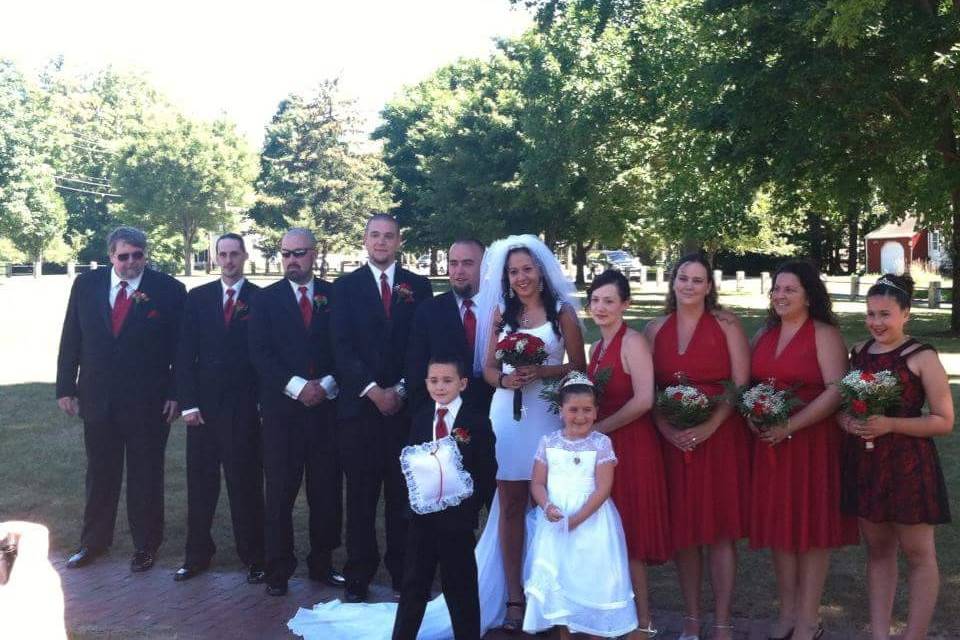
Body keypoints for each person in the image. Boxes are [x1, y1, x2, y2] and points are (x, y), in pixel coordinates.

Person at [56, 226, 186, 572]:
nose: (131, 262)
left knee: (146, 475)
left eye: (137, 255)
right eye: (123, 256)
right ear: (111, 256)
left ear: (146, 254)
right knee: (100, 473)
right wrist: (66, 386)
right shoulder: (86, 285)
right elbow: (72, 336)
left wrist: (176, 392)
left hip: (149, 401)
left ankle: (146, 546)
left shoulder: (170, 290)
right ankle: (93, 543)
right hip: (97, 398)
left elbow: (181, 349)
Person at [478, 235, 586, 632]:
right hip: (508, 417)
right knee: (509, 503)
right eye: (513, 271)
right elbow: (488, 369)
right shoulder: (500, 316)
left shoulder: (562, 314)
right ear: (506, 278)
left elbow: (579, 368)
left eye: (527, 269)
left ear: (540, 271)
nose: (521, 277)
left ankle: (551, 592)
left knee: (549, 502)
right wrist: (505, 382)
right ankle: (513, 597)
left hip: (548, 417)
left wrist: (542, 371)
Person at [748, 260, 859, 640]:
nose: (780, 295)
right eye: (776, 289)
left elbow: (836, 390)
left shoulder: (824, 335)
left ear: (808, 295)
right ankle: (788, 612)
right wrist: (752, 413)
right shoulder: (764, 332)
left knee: (811, 530)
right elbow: (749, 383)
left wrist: (790, 426)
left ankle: (810, 618)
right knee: (780, 529)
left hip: (811, 443)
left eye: (789, 289)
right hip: (771, 446)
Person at [838, 274, 953, 640]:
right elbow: (842, 408)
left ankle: (914, 635)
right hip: (868, 465)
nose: (876, 322)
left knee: (919, 554)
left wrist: (890, 424)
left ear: (906, 314)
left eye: (885, 314)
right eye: (870, 313)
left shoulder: (921, 356)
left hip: (909, 466)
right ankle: (879, 634)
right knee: (878, 552)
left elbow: (944, 421)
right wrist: (849, 422)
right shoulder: (857, 353)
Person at [645, 253, 750, 640]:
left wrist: (709, 426)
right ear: (673, 283)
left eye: (697, 280)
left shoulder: (727, 324)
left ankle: (722, 621)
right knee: (685, 532)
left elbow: (739, 384)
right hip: (673, 441)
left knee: (720, 532)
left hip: (719, 439)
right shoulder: (655, 329)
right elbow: (648, 388)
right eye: (682, 278)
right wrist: (665, 427)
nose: (688, 285)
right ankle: (690, 619)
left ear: (709, 286)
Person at [331, 214, 433, 602]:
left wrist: (403, 389)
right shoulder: (345, 287)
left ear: (398, 241)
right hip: (360, 410)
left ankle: (403, 573)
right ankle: (358, 574)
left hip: (405, 411)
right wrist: (374, 390)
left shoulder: (418, 287)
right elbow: (340, 346)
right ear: (364, 239)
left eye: (388, 236)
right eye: (374, 235)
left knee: (402, 496)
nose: (381, 242)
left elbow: (419, 344)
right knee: (359, 496)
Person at [248, 228, 343, 596]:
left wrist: (328, 385)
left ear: (314, 254)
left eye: (299, 253)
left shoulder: (335, 296)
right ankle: (278, 569)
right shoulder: (265, 300)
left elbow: (344, 346)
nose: (291, 260)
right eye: (285, 253)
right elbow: (259, 353)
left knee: (326, 492)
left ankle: (322, 563)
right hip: (281, 415)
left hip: (326, 413)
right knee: (280, 495)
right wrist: (298, 387)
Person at [174, 233, 266, 584]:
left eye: (234, 254)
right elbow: (184, 355)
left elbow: (264, 355)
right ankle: (196, 555)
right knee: (200, 486)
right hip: (203, 411)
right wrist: (188, 404)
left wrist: (260, 404)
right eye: (222, 255)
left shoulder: (261, 299)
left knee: (245, 486)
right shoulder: (197, 299)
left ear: (244, 256)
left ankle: (254, 557)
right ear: (216, 259)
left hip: (244, 410)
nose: (228, 261)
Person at [586, 270, 670, 639]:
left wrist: (599, 430)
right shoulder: (596, 347)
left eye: (609, 301)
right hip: (604, 449)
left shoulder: (632, 342)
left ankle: (644, 620)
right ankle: (610, 616)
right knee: (604, 533)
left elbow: (644, 400)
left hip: (632, 447)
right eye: (595, 300)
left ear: (625, 305)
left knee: (630, 534)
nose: (600, 308)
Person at [523, 373, 638, 638]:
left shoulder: (601, 443)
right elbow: (538, 483)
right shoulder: (548, 442)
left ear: (596, 412)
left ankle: (596, 630)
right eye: (573, 409)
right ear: (561, 410)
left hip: (592, 520)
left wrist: (576, 519)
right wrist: (547, 506)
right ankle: (565, 633)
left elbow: (603, 488)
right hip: (555, 519)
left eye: (587, 410)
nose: (580, 416)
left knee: (592, 578)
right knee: (560, 579)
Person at [391, 357, 497, 640]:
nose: (440, 386)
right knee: (413, 583)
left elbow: (486, 471)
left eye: (447, 380)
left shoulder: (477, 422)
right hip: (422, 519)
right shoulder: (421, 419)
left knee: (460, 586)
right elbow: (410, 465)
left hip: (458, 521)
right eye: (434, 380)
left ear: (462, 383)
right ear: (426, 383)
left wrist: (485, 509)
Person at [406, 239, 493, 416]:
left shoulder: (502, 308)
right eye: (453, 263)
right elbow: (416, 370)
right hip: (446, 416)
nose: (458, 271)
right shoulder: (429, 311)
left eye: (467, 263)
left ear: (486, 267)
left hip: (498, 411)